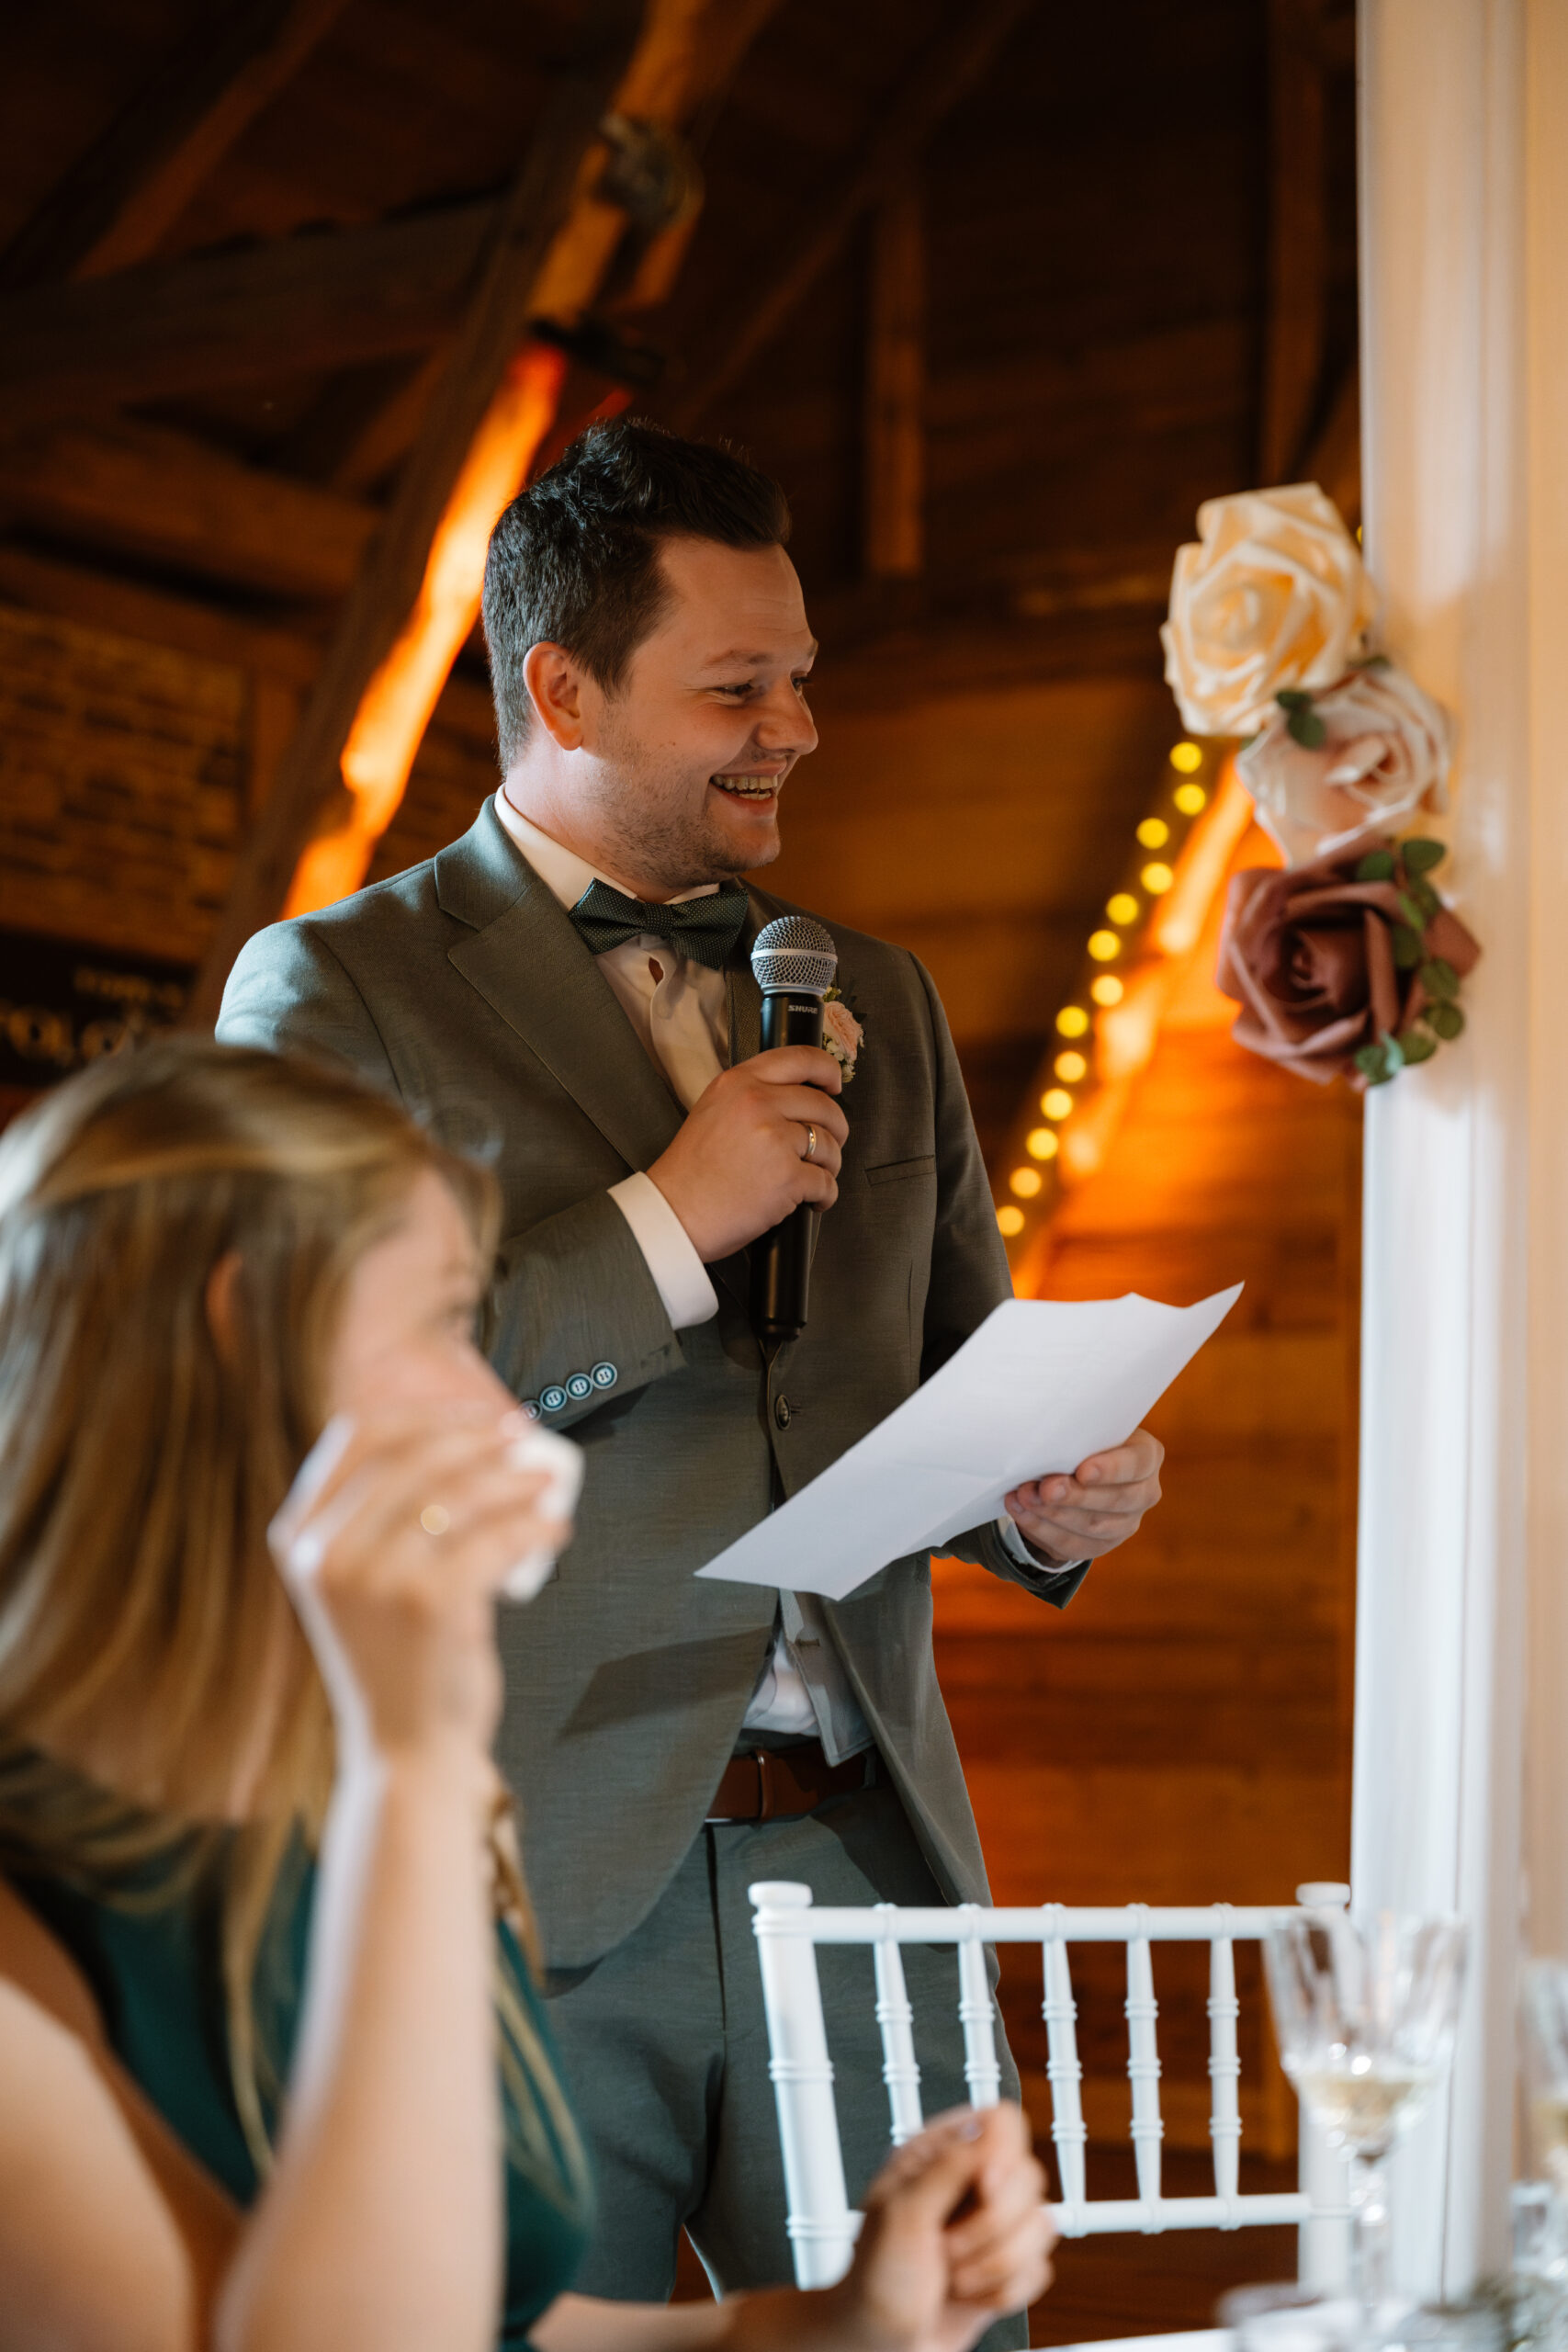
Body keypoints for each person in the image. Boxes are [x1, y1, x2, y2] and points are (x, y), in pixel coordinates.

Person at [217, 419, 1164, 2335]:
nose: (793, 728)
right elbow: (315, 1407)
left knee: (933, 2333)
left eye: (799, 677)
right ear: (562, 688)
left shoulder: (877, 993)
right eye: (737, 688)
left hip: (868, 1860)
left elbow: (950, 1376)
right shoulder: (333, 990)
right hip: (524, 1888)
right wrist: (666, 1218)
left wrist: (1046, 1496)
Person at [0, 1038, 1055, 2352]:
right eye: (447, 1324)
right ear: (243, 1329)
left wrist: (838, 2321)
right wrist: (415, 1759)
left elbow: (500, 2325)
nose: (501, 1407)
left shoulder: (362, 1796)